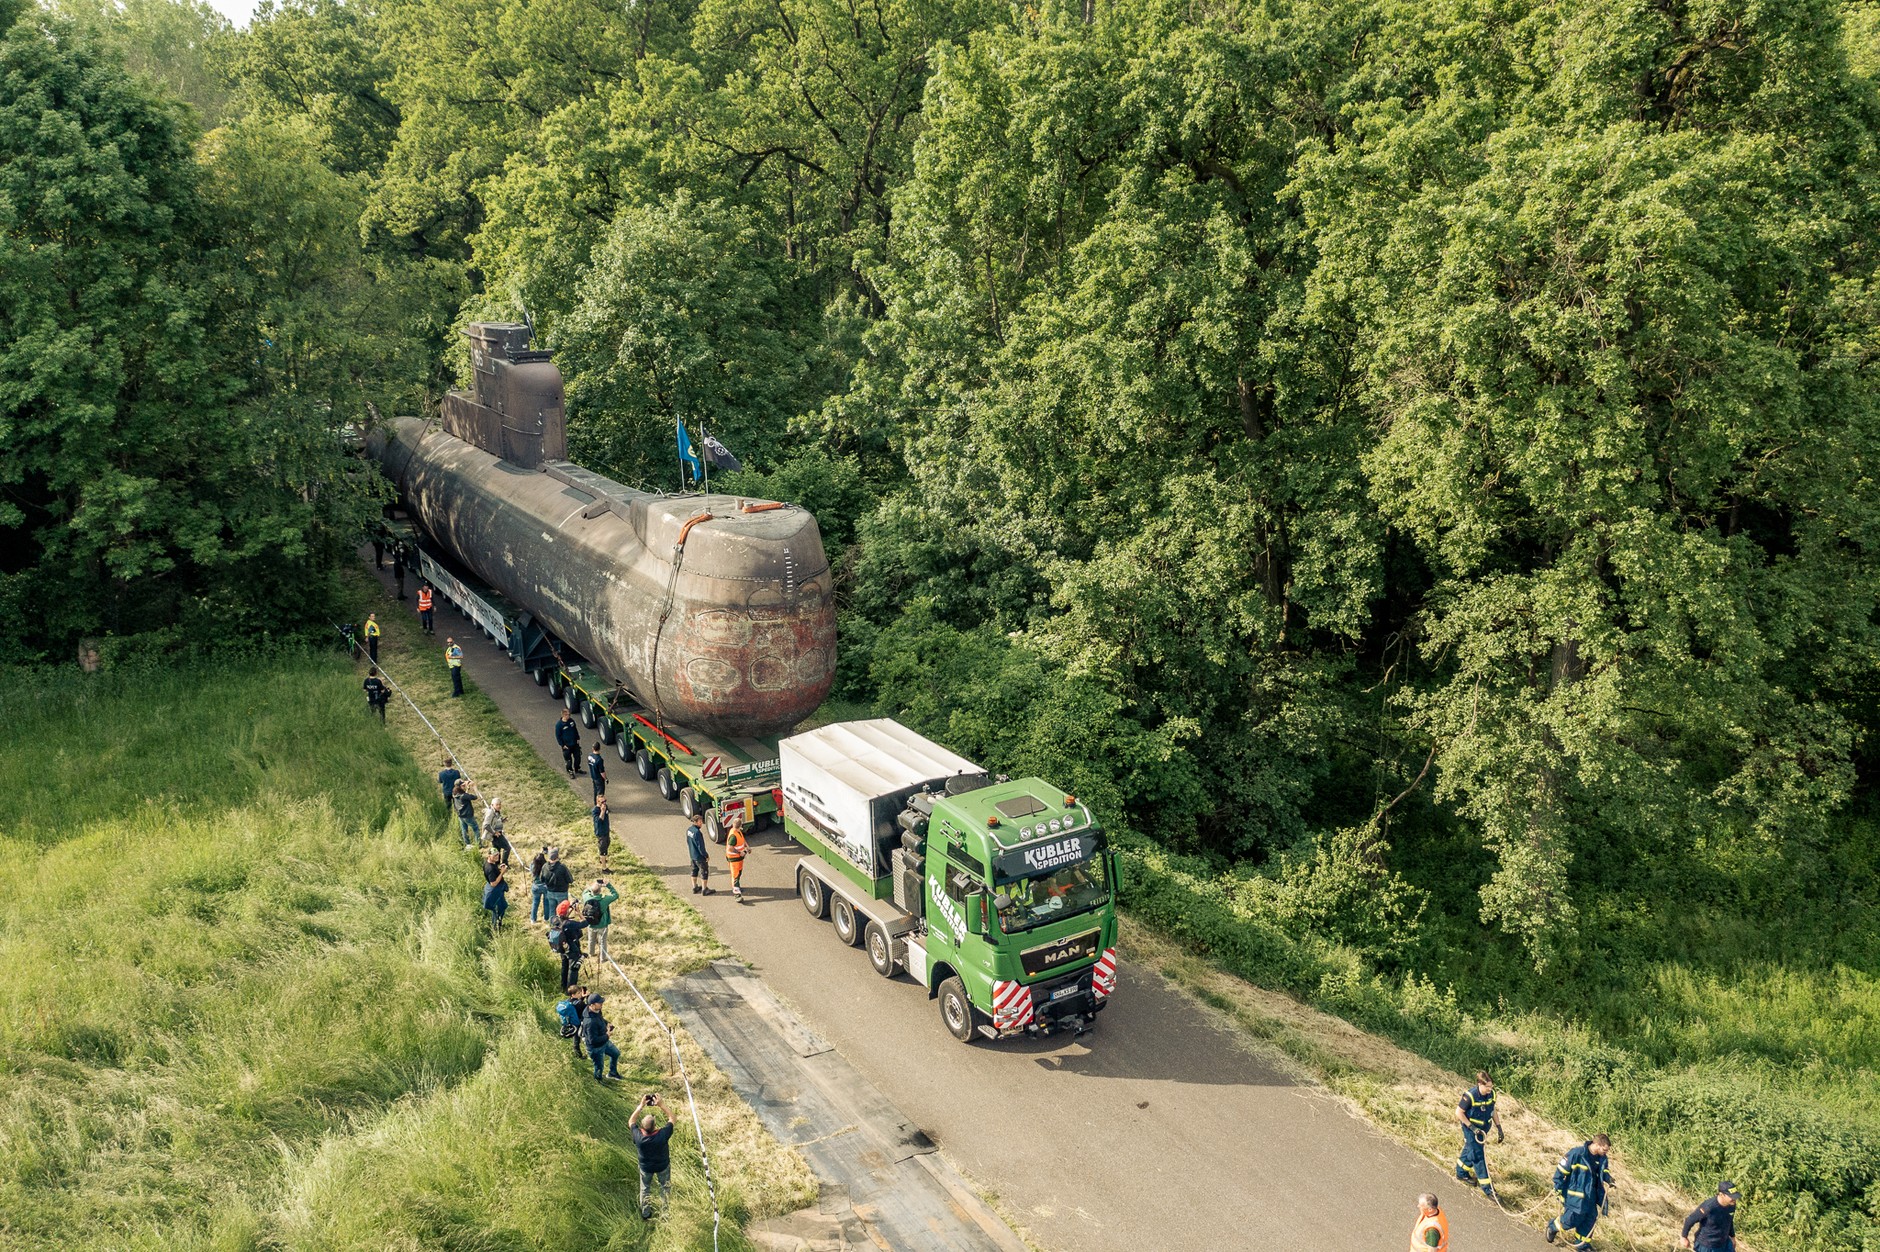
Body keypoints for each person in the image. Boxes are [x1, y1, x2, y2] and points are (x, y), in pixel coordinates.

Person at [1546, 1134, 1614, 1248]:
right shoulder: (1577, 1154)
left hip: (1592, 1196)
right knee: (1571, 1219)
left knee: (1589, 1221)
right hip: (1576, 1196)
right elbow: (1561, 1170)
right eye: (1604, 1149)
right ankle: (1552, 1227)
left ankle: (1582, 1245)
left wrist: (1609, 1179)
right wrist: (1558, 1188)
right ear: (1597, 1144)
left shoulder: (1603, 1158)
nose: (1606, 1152)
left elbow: (1604, 1171)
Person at [1455, 1071, 1504, 1200]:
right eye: (1487, 1087)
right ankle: (1489, 1190)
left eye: (1491, 1087)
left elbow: (1493, 1111)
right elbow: (1459, 1112)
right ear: (1479, 1084)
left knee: (1470, 1150)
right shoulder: (1470, 1096)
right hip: (1471, 1130)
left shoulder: (1491, 1094)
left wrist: (1499, 1128)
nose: (1490, 1089)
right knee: (1478, 1157)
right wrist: (1472, 1127)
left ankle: (1461, 1172)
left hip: (1483, 1130)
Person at [632, 1094, 677, 1220]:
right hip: (662, 1166)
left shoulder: (639, 1137)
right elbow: (672, 1118)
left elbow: (631, 1121)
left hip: (645, 1168)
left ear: (642, 1127)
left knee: (645, 1189)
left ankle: (646, 1214)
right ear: (655, 1125)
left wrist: (641, 1105)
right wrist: (661, 1105)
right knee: (665, 1187)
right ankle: (665, 1214)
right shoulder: (662, 1134)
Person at [1681, 1181, 1740, 1251]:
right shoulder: (1709, 1207)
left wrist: (1732, 1237)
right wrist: (1684, 1237)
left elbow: (1729, 1221)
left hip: (1725, 1242)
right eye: (1732, 1197)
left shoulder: (1731, 1204)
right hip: (1707, 1245)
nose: (1735, 1199)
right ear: (1721, 1194)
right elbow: (1690, 1219)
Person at [582, 995, 621, 1082]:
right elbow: (593, 1041)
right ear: (592, 1005)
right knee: (599, 1067)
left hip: (604, 1042)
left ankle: (612, 1073)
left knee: (616, 1053)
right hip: (595, 1049)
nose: (601, 1004)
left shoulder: (597, 1010)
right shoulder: (590, 1023)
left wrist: (606, 1023)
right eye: (599, 1003)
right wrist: (607, 1035)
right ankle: (598, 1081)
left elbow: (600, 1019)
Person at [582, 877, 619, 962]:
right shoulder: (605, 900)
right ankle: (603, 958)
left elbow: (585, 891)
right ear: (600, 891)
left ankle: (591, 953)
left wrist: (593, 886)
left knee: (591, 940)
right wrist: (608, 885)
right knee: (603, 941)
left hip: (590, 924)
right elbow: (616, 895)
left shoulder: (586, 897)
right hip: (602, 924)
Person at [555, 899, 588, 989]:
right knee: (573, 969)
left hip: (562, 948)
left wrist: (569, 910)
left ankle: (563, 987)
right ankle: (571, 990)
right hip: (572, 949)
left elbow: (564, 917)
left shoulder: (555, 920)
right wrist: (578, 912)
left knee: (564, 967)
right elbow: (585, 923)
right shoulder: (569, 924)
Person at [555, 985, 591, 1059]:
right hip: (579, 1023)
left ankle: (578, 1055)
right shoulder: (580, 1003)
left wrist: (582, 997)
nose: (580, 994)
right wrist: (588, 997)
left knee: (576, 1040)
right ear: (573, 994)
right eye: (578, 993)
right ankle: (582, 1055)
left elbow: (577, 1003)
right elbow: (588, 1008)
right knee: (583, 1039)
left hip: (572, 1023)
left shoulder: (568, 1001)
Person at [541, 847, 574, 920]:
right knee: (562, 912)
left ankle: (553, 925)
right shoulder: (562, 867)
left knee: (552, 911)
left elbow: (542, 879)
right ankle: (561, 926)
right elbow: (570, 880)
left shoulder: (544, 867)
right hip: (561, 893)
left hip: (550, 892)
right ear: (557, 857)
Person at [686, 819, 712, 895]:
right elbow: (701, 846)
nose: (701, 824)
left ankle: (694, 887)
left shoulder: (689, 830)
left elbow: (688, 841)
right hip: (699, 857)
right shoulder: (697, 833)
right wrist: (706, 855)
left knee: (694, 871)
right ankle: (704, 889)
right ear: (695, 822)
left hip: (692, 855)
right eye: (700, 822)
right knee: (704, 872)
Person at [725, 817, 748, 901]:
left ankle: (737, 887)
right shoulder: (733, 836)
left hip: (739, 858)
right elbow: (730, 848)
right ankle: (737, 895)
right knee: (735, 876)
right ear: (740, 825)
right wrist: (739, 852)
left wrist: (747, 847)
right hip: (734, 858)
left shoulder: (737, 831)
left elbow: (742, 839)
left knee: (739, 873)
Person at [453, 777, 481, 847]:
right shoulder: (464, 796)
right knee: (476, 828)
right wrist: (474, 787)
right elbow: (476, 797)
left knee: (464, 830)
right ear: (459, 787)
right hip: (468, 816)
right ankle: (479, 845)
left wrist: (467, 788)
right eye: (462, 785)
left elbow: (464, 796)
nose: (464, 786)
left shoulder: (454, 793)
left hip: (460, 815)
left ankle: (467, 844)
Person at [482, 860, 508, 930]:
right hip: (495, 892)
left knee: (501, 908)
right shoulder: (490, 868)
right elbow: (493, 884)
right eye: (494, 855)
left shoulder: (488, 863)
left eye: (497, 855)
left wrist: (500, 869)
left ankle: (497, 925)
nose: (497, 857)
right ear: (489, 856)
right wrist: (502, 872)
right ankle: (496, 928)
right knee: (498, 910)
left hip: (495, 890)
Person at [485, 798, 512, 864]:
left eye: (500, 804)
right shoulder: (490, 812)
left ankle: (497, 863)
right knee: (507, 847)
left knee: (497, 849)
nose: (499, 806)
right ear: (492, 805)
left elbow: (495, 821)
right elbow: (486, 825)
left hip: (498, 832)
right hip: (495, 834)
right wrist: (494, 832)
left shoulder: (496, 811)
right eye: (497, 805)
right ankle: (504, 863)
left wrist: (502, 820)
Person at [555, 710, 581, 777]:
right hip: (567, 746)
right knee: (568, 760)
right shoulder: (559, 725)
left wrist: (578, 738)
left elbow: (575, 729)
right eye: (567, 715)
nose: (569, 716)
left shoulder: (571, 721)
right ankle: (570, 771)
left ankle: (577, 769)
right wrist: (562, 745)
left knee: (578, 757)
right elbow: (558, 736)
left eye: (569, 714)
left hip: (575, 744)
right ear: (563, 715)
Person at [528, 846, 550, 923]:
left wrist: (540, 853)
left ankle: (533, 919)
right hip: (545, 887)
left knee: (535, 902)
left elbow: (533, 862)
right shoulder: (546, 867)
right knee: (546, 903)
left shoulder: (533, 866)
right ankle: (546, 918)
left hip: (536, 886)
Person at [591, 795, 611, 871]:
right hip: (601, 832)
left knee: (608, 843)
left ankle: (602, 858)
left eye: (605, 801)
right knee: (603, 849)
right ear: (598, 802)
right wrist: (602, 811)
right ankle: (604, 867)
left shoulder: (606, 807)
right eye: (602, 802)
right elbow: (599, 821)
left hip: (606, 830)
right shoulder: (595, 811)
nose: (604, 803)